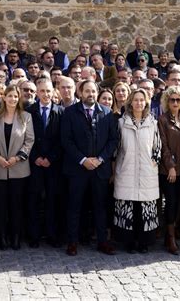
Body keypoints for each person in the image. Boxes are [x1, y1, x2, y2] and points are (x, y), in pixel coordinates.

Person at [61, 80, 118, 256]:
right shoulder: (70, 113)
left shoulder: (107, 113)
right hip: (77, 169)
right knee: (75, 206)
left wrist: (100, 159)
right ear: (80, 92)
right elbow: (66, 140)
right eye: (87, 91)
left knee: (100, 207)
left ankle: (102, 241)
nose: (91, 94)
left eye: (93, 91)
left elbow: (113, 140)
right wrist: (83, 159)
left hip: (100, 169)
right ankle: (72, 242)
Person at [113, 89, 161, 254]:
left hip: (147, 172)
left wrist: (154, 162)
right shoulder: (121, 123)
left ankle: (144, 242)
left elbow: (157, 147)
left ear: (146, 102)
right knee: (128, 207)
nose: (139, 103)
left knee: (144, 208)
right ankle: (129, 242)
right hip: (126, 170)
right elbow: (116, 148)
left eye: (142, 100)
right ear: (130, 102)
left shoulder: (153, 123)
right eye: (136, 100)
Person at [0, 85, 34, 250]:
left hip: (18, 168)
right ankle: (2, 237)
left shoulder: (26, 116)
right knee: (0, 205)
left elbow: (29, 140)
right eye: (10, 96)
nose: (13, 99)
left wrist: (17, 158)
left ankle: (15, 237)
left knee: (16, 205)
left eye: (16, 96)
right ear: (4, 97)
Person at [25, 78, 64, 248]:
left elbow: (63, 139)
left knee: (52, 200)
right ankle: (33, 235)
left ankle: (52, 234)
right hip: (34, 163)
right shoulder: (29, 111)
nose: (45, 94)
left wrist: (51, 158)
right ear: (37, 93)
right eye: (42, 91)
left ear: (53, 92)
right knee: (33, 200)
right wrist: (36, 157)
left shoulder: (61, 112)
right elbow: (25, 137)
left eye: (48, 91)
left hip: (53, 164)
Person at [158, 86, 180, 255]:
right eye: (172, 100)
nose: (175, 102)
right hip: (168, 168)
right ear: (167, 101)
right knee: (170, 202)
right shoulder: (162, 120)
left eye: (178, 100)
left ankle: (172, 231)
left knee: (178, 201)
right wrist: (170, 166)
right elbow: (163, 146)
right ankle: (170, 238)